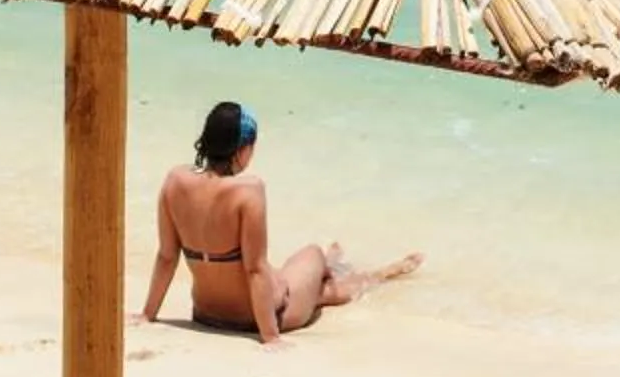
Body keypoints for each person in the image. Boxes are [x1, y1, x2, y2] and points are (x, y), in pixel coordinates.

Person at [139, 101, 421, 345]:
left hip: (206, 314)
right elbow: (255, 269)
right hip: (267, 315)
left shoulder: (174, 181)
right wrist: (270, 337)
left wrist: (147, 315)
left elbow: (166, 256)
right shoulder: (248, 190)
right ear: (241, 149)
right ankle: (374, 273)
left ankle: (333, 270)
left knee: (305, 281)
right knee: (313, 254)